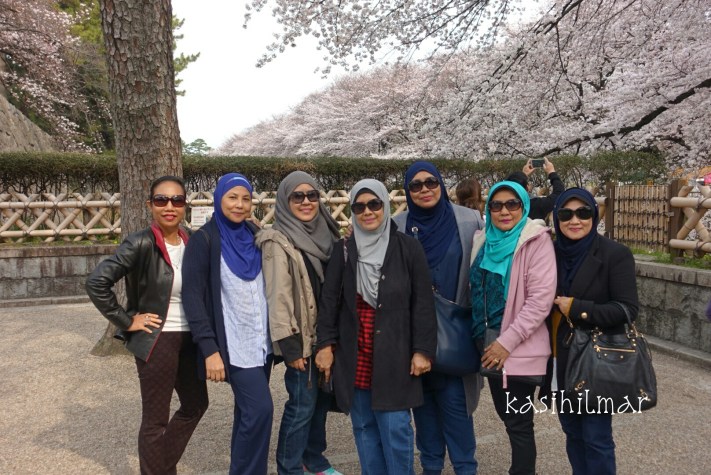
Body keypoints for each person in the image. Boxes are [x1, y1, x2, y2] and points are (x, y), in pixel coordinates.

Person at [86, 176, 208, 475]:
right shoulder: (140, 242)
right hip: (157, 338)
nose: (170, 207)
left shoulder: (193, 240)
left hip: (191, 337)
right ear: (150, 205)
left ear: (185, 205)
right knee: (156, 419)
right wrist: (127, 320)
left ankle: (159, 467)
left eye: (177, 200)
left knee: (195, 405)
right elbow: (97, 282)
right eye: (161, 200)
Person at [315, 179, 437, 475]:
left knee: (396, 428)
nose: (367, 212)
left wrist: (422, 350)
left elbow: (423, 303)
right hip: (355, 354)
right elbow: (329, 302)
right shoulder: (345, 249)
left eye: (374, 204)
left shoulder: (408, 248)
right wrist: (325, 345)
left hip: (395, 353)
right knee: (364, 427)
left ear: (386, 205)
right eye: (359, 207)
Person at [394, 162, 484, 475]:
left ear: (441, 184)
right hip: (414, 339)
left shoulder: (468, 220)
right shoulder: (396, 225)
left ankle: (465, 469)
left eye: (431, 182)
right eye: (415, 185)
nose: (424, 189)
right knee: (424, 413)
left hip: (455, 334)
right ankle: (431, 468)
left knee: (457, 410)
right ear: (407, 191)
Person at [181, 173, 273, 475]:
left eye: (246, 198)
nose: (240, 204)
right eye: (232, 197)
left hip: (261, 343)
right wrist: (209, 349)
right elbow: (192, 297)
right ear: (219, 199)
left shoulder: (255, 234)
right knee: (260, 410)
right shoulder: (204, 239)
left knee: (248, 413)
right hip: (233, 343)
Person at [255, 171, 343, 475]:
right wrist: (290, 347)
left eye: (312, 195)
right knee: (302, 404)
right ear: (285, 200)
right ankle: (289, 467)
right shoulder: (277, 240)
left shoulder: (329, 233)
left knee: (321, 402)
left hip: (327, 333)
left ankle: (313, 459)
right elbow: (277, 296)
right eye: (297, 196)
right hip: (300, 337)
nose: (306, 202)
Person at [546, 187, 639, 475]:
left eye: (583, 213)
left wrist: (577, 307)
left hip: (596, 357)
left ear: (594, 216)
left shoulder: (614, 254)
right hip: (559, 356)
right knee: (572, 431)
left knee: (596, 437)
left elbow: (626, 309)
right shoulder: (550, 252)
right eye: (566, 214)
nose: (575, 220)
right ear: (557, 218)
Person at [469, 180, 556, 475]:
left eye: (512, 204)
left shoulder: (535, 241)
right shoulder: (483, 240)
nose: (504, 211)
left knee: (519, 423)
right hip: (486, 342)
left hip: (514, 344)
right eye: (496, 205)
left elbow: (540, 301)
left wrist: (506, 343)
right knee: (507, 417)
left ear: (524, 206)